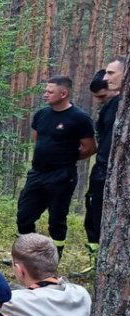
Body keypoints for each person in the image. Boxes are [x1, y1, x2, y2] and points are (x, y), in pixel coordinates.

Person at [17, 76, 96, 258]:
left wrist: (66, 158)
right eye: (45, 91)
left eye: (50, 92)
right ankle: (28, 255)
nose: (45, 95)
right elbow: (38, 139)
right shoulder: (41, 115)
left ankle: (53, 260)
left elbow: (90, 148)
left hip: (62, 176)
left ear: (64, 93)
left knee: (57, 220)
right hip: (37, 173)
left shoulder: (79, 118)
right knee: (24, 215)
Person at [84, 57, 125, 269]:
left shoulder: (121, 106)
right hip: (102, 170)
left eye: (111, 73)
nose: (106, 78)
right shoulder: (110, 108)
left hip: (112, 172)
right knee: (94, 212)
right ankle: (98, 260)